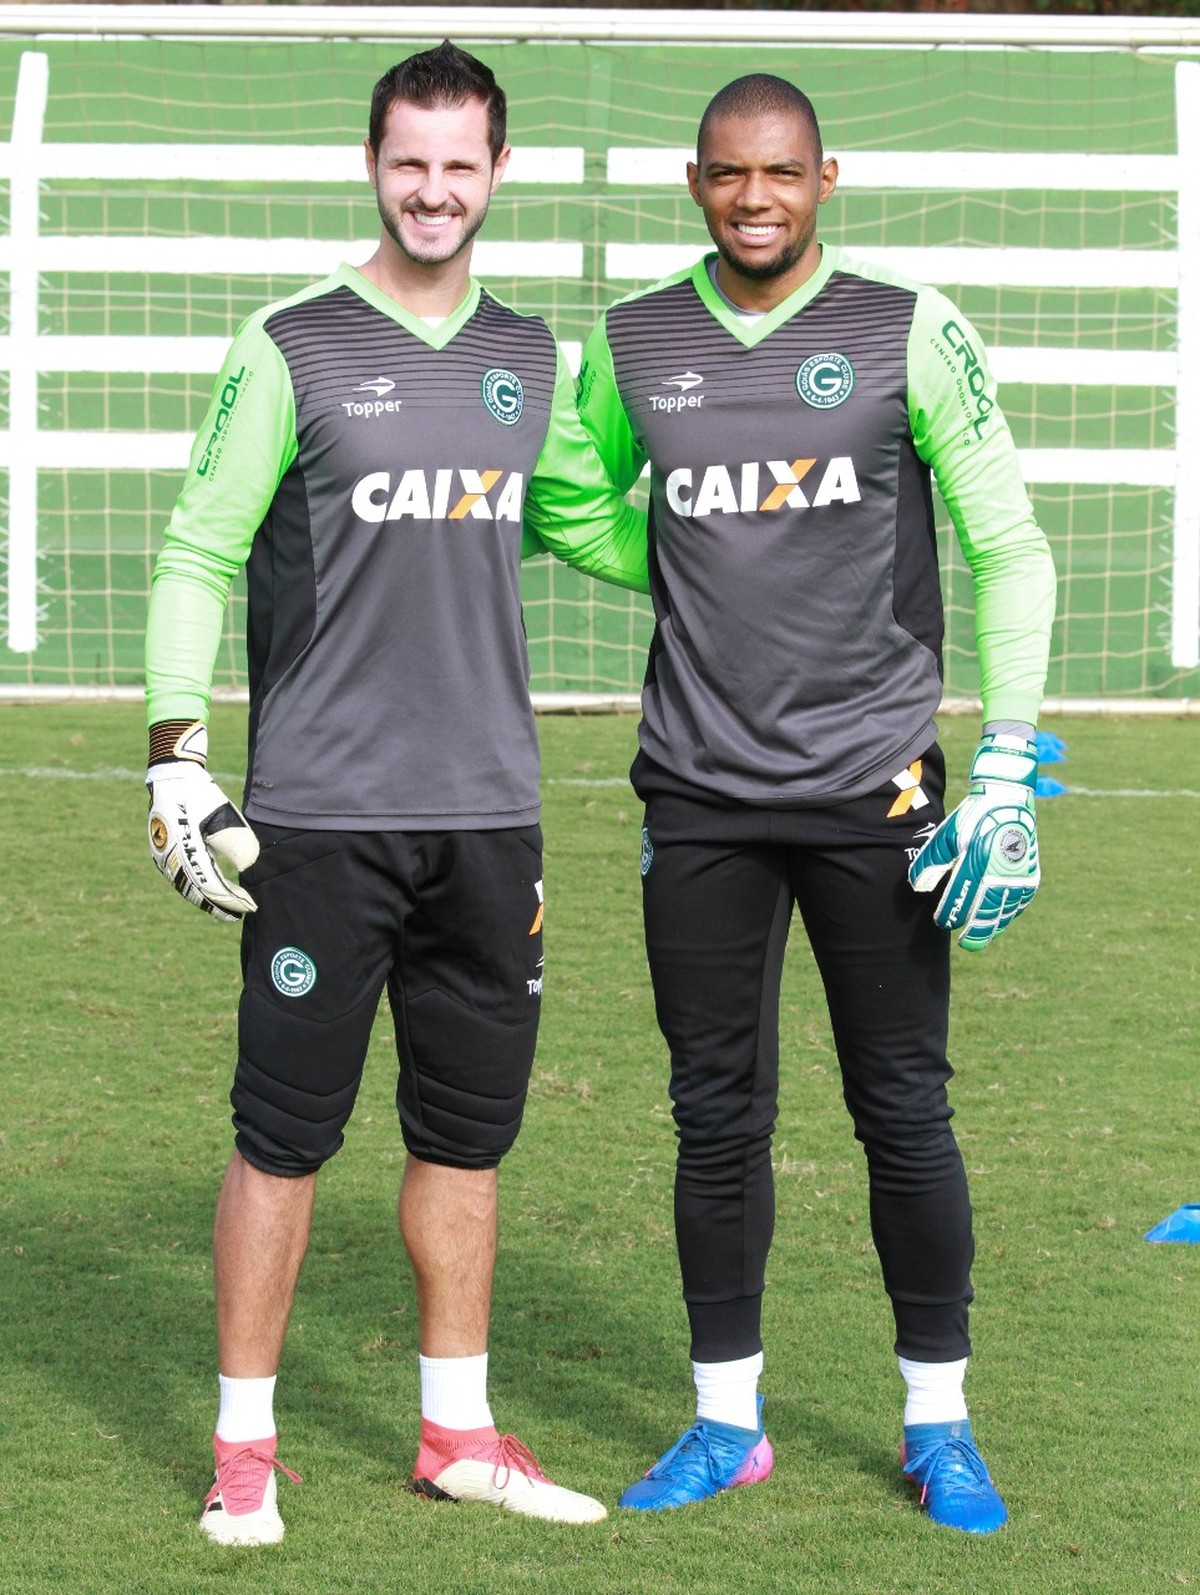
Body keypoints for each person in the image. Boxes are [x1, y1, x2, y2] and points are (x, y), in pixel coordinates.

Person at [143, 41, 648, 1545]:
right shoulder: (290, 345)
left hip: (491, 814)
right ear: (375, 167)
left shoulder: (531, 363)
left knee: (467, 1138)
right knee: (284, 1135)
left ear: (498, 174)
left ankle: (457, 1433)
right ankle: (246, 1446)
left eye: (461, 165)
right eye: (409, 164)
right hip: (319, 815)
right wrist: (176, 755)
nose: (434, 191)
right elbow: (194, 548)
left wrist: (748, 525)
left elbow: (590, 529)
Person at [576, 74, 1056, 1533]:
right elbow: (582, 504)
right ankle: (729, 1422)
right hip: (700, 795)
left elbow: (1010, 541)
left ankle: (938, 1422)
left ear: (826, 179)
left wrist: (1012, 763)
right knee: (712, 1117)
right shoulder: (634, 341)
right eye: (729, 175)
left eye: (781, 173)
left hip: (877, 786)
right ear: (694, 182)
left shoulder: (909, 327)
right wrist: (702, 572)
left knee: (902, 1110)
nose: (756, 199)